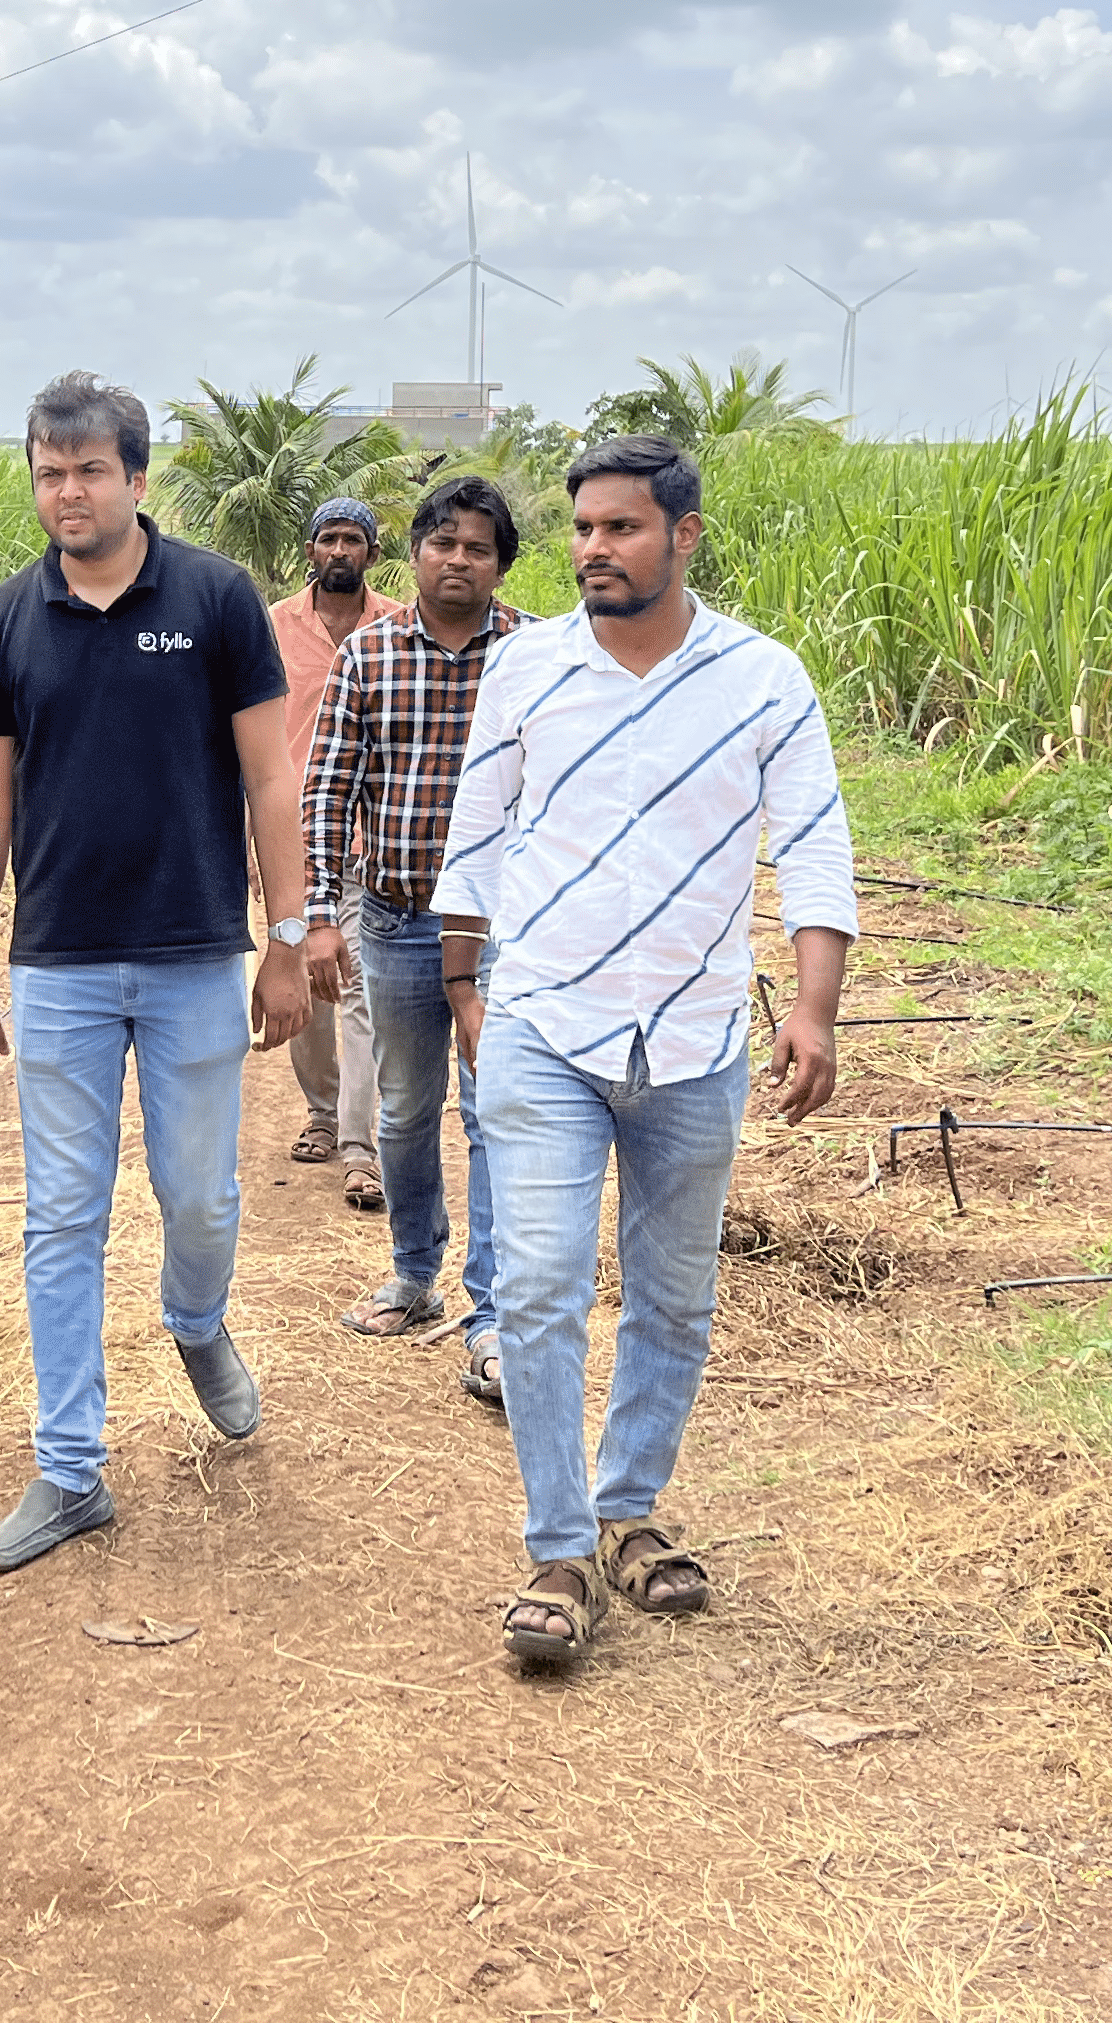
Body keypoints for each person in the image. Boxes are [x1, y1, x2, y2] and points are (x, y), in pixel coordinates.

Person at [432, 432, 855, 1670]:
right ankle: (559, 1552)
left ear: (685, 533)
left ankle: (630, 1515)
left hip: (697, 1041)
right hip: (546, 1027)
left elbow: (816, 850)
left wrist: (815, 1009)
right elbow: (477, 832)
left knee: (673, 1298)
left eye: (620, 528)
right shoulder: (528, 671)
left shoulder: (764, 679)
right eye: (581, 530)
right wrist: (467, 987)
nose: (593, 551)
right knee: (544, 1289)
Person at [0, 370, 314, 1574]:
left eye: (90, 470)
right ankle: (70, 1469)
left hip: (195, 954)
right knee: (62, 1217)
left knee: (200, 1198)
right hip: (57, 966)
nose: (68, 492)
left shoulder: (212, 601)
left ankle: (197, 1322)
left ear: (137, 479)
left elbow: (270, 779)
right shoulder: (5, 621)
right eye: (49, 473)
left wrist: (287, 937)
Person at [299, 472, 521, 1398]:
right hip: (391, 918)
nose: (458, 559)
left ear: (500, 563)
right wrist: (317, 915)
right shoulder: (371, 656)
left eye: (477, 547)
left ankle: (497, 1311)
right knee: (403, 1110)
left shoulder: (539, 655)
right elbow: (326, 790)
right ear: (417, 553)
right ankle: (414, 1275)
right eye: (443, 542)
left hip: (504, 932)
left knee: (497, 1112)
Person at [267, 495, 402, 1207]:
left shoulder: (398, 629)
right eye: (329, 539)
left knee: (360, 992)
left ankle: (359, 1145)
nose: (340, 550)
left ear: (372, 554)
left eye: (354, 539)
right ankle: (321, 1111)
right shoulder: (273, 629)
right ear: (311, 550)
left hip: (371, 839)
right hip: (292, 839)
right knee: (306, 991)